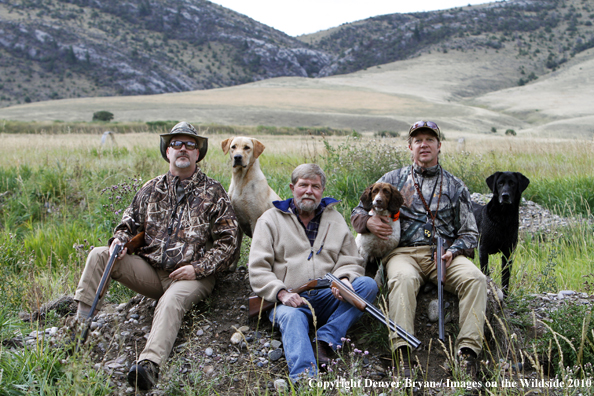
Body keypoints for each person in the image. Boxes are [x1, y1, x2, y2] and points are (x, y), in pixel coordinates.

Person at [74, 122, 240, 391]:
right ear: (167, 152)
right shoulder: (151, 189)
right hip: (151, 272)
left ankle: (149, 365)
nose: (182, 148)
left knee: (172, 300)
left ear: (198, 153)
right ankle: (78, 328)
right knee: (99, 254)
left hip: (194, 277)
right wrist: (120, 241)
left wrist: (197, 269)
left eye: (190, 144)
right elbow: (127, 223)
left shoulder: (214, 192)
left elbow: (229, 243)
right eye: (176, 144)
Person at [351, 121, 486, 378]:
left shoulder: (456, 186)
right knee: (402, 279)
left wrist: (453, 249)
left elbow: (470, 233)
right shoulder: (391, 180)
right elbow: (357, 211)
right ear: (410, 146)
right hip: (403, 253)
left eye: (430, 140)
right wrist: (368, 222)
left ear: (439, 146)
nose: (424, 144)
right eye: (418, 140)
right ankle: (402, 354)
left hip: (443, 255)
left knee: (476, 279)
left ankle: (467, 354)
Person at [249, 164, 378, 382]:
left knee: (367, 285)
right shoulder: (269, 219)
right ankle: (306, 379)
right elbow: (258, 268)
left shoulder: (335, 219)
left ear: (322, 190)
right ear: (292, 187)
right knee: (291, 317)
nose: (309, 191)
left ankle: (325, 339)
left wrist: (344, 279)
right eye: (303, 185)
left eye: (315, 186)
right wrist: (281, 293)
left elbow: (350, 259)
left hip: (329, 296)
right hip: (290, 300)